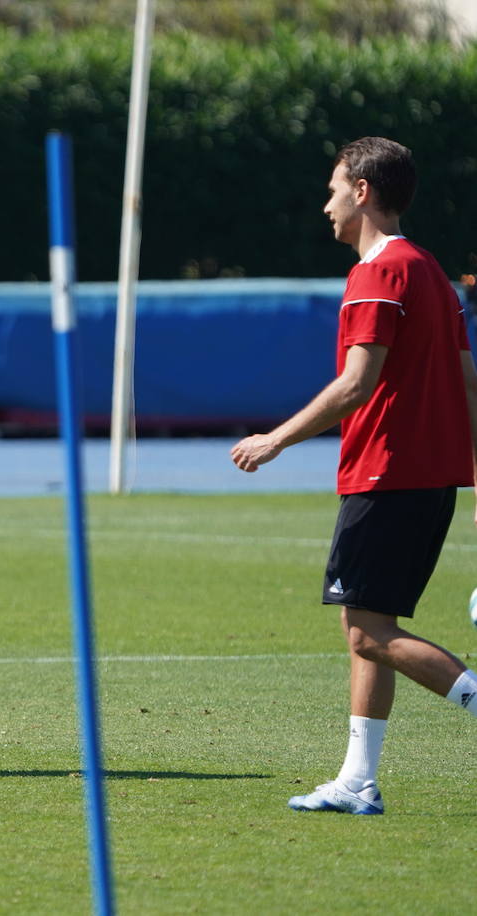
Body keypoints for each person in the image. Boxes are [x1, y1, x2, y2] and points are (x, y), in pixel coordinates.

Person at [230, 136, 477, 815]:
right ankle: (357, 780)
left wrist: (274, 439)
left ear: (363, 191)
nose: (325, 203)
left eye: (334, 187)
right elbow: (469, 384)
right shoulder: (432, 271)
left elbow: (356, 385)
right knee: (367, 628)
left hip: (386, 476)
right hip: (430, 482)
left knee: (369, 632)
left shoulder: (379, 273)